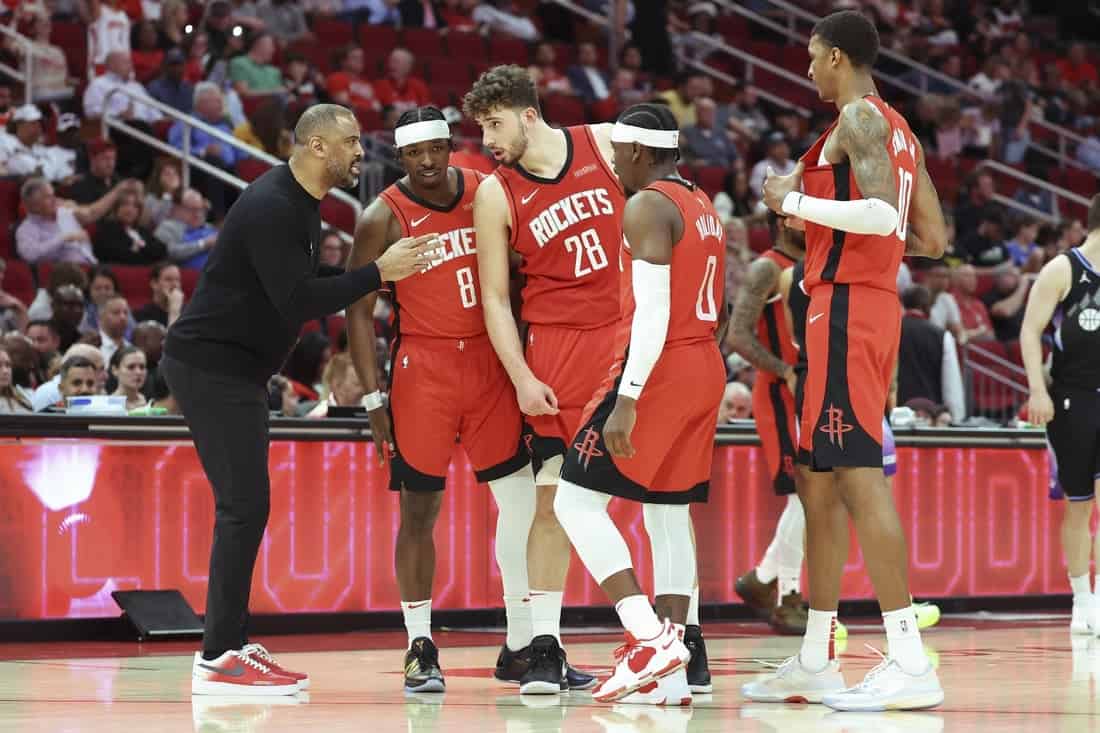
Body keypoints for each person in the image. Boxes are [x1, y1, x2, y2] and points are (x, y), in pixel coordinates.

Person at [160, 104, 438, 697]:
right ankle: (217, 659)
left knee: (247, 509)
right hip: (212, 369)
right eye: (352, 142)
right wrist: (378, 272)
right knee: (242, 509)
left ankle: (231, 643)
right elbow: (296, 301)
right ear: (316, 146)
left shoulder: (301, 204)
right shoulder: (272, 206)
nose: (362, 153)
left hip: (237, 373)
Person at [743, 10, 948, 711]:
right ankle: (813, 655)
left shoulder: (859, 118)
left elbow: (885, 216)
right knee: (819, 484)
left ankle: (909, 659)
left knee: (858, 477)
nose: (805, 68)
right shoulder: (899, 129)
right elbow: (933, 235)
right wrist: (838, 225)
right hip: (859, 302)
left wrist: (791, 200)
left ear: (836, 55)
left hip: (848, 308)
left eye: (810, 56)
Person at [345, 106, 580, 693]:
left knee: (522, 505)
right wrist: (373, 399)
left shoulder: (487, 190)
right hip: (421, 369)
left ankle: (522, 642)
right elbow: (356, 307)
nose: (425, 162)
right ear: (399, 158)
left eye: (434, 149)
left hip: (489, 365)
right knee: (419, 513)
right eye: (412, 154)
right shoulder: (383, 215)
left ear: (451, 146)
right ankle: (419, 644)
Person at [463, 64, 632, 694]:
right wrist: (522, 375)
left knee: (661, 498)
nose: (489, 140)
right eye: (482, 128)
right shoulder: (494, 191)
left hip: (623, 338)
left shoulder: (608, 143)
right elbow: (496, 301)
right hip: (556, 353)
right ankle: (543, 648)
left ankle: (679, 636)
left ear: (529, 114)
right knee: (552, 500)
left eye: (496, 124)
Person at [554, 103, 727, 704]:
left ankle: (648, 636)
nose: (610, 165)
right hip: (704, 361)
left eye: (613, 155)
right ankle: (674, 671)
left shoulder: (647, 205)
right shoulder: (702, 205)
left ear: (633, 152)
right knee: (668, 516)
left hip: (658, 367)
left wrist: (628, 397)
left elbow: (653, 313)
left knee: (575, 502)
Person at [1021, 194, 1100, 636]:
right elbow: (1030, 331)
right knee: (1078, 505)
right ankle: (1081, 599)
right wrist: (1037, 390)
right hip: (1071, 397)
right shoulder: (1062, 270)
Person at [729, 211, 808, 635]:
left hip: (807, 391)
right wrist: (784, 369)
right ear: (783, 221)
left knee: (813, 495)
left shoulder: (816, 264)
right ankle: (786, 596)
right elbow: (738, 335)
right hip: (780, 393)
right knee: (803, 495)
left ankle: (761, 581)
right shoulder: (767, 267)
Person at [109, 345, 147, 411]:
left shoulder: (148, 401)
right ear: (115, 370)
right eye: (131, 367)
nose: (138, 372)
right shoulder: (108, 405)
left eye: (142, 367)